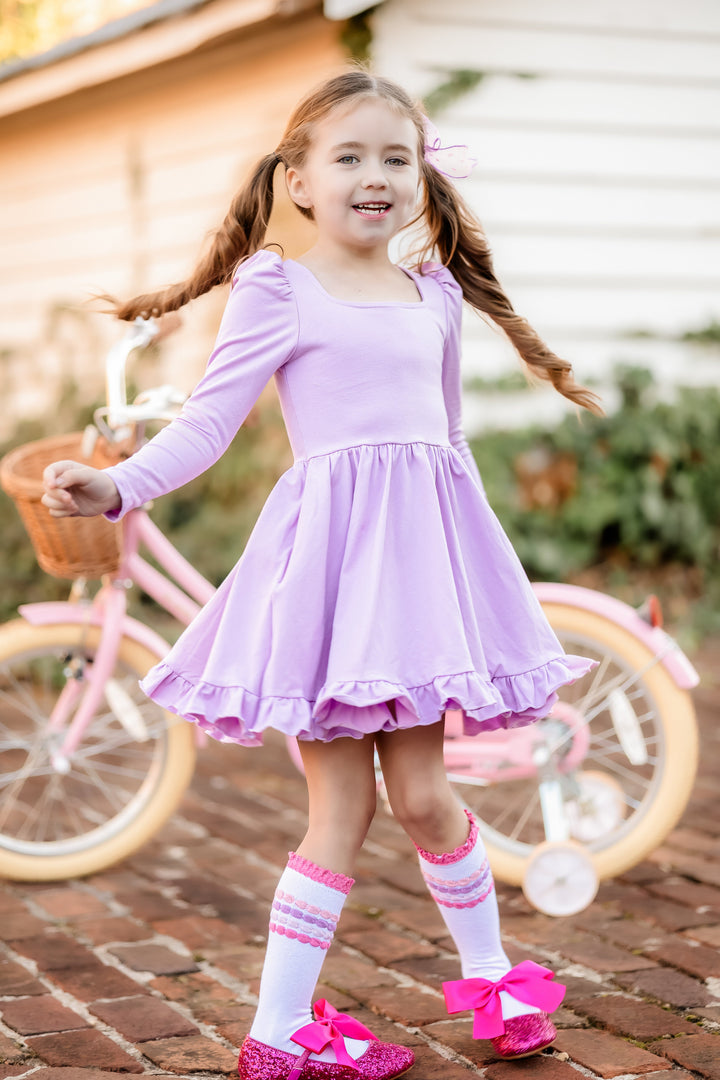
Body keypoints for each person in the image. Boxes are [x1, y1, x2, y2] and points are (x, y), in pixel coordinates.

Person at [43, 69, 600, 1077]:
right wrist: (119, 484)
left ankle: (494, 988)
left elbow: (448, 444)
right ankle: (277, 1032)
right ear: (299, 180)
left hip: (423, 576)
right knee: (337, 812)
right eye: (349, 156)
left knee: (427, 798)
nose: (375, 175)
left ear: (420, 176)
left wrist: (476, 576)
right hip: (334, 579)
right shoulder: (277, 286)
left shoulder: (433, 296)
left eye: (396, 156)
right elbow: (210, 421)